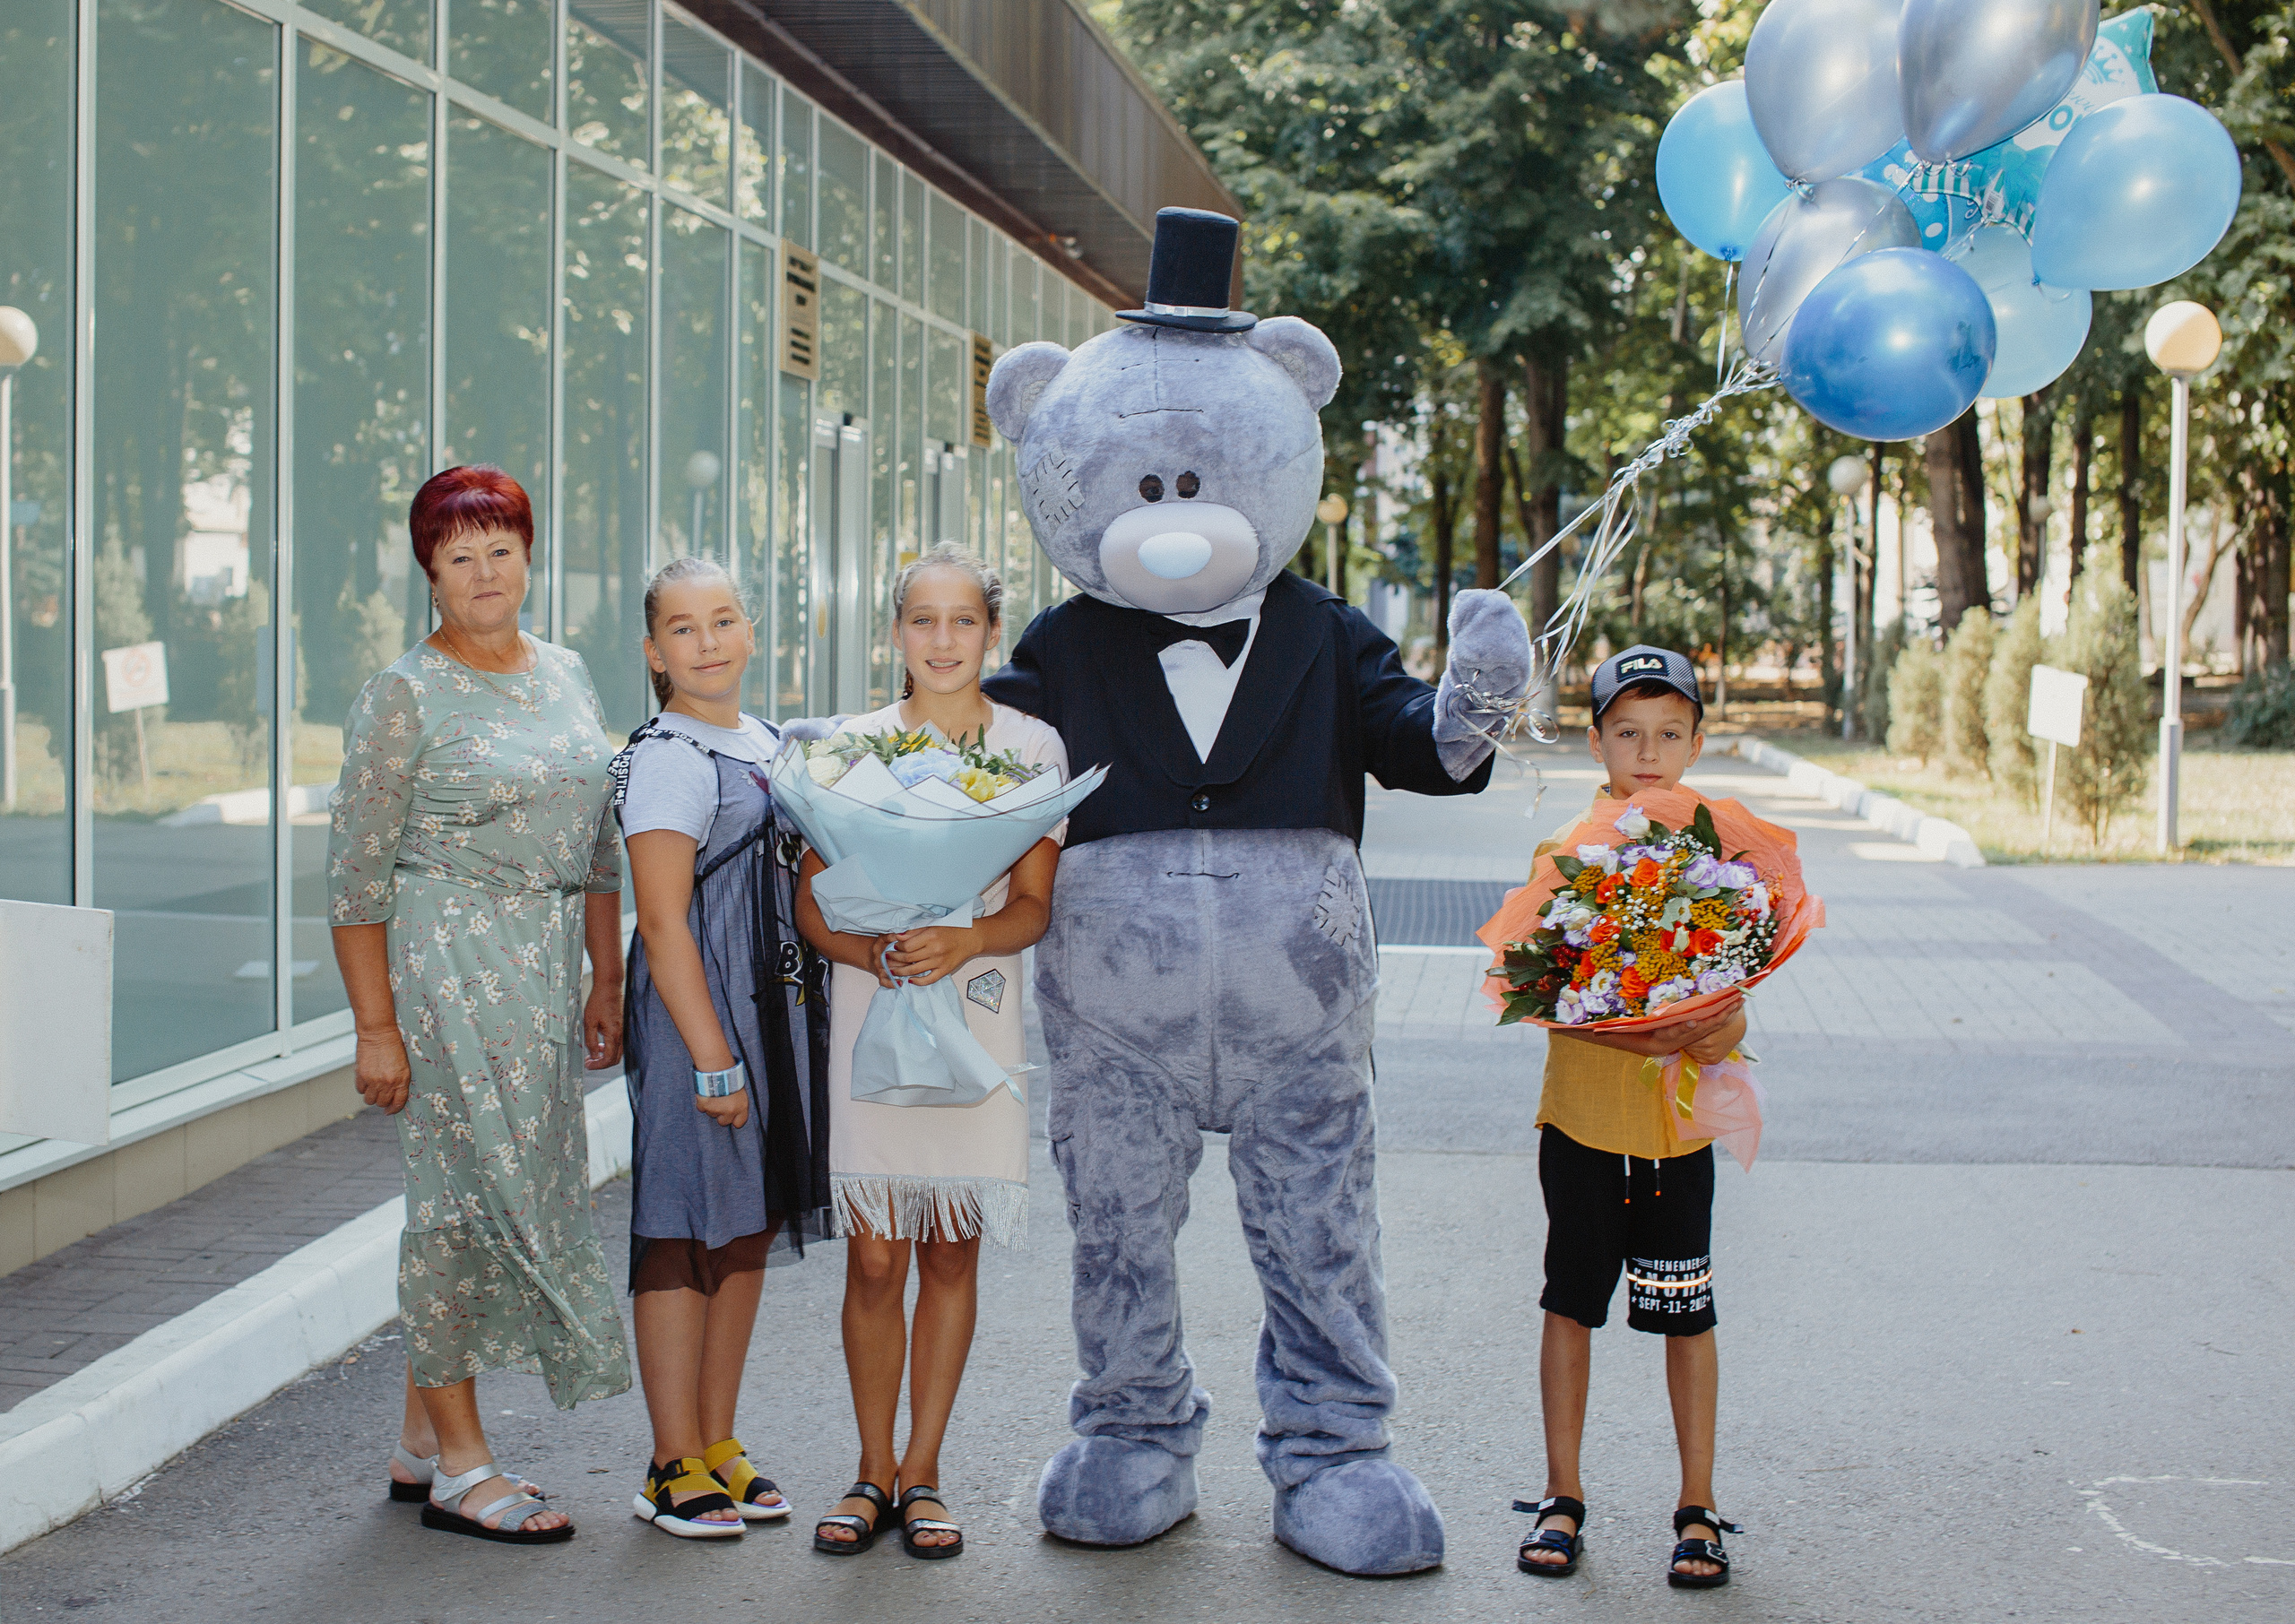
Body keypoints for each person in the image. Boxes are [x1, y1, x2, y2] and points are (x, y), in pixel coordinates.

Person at [331, 465, 629, 1544]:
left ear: (528, 554)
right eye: (459, 556)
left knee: (520, 1183)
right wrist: (375, 1027)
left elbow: (599, 846)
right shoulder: (404, 693)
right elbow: (357, 877)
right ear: (428, 572)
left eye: (500, 548)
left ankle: (418, 1442)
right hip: (445, 961)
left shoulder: (566, 672)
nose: (484, 573)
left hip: (544, 970)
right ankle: (464, 1467)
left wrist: (607, 974)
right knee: (462, 1197)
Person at [793, 542, 1065, 1559]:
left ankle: (925, 1473)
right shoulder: (847, 750)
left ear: (991, 631)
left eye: (962, 621)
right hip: (875, 1005)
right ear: (895, 632)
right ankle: (869, 1470)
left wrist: (965, 938)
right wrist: (875, 948)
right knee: (873, 1257)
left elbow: (1034, 907)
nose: (942, 640)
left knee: (951, 1243)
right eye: (922, 620)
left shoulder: (1034, 748)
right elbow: (811, 904)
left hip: (980, 1007)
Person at [1512, 644, 1748, 1588]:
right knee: (1570, 1304)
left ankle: (1697, 1506)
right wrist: (1635, 1035)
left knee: (1684, 1312)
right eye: (1626, 732)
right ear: (1595, 739)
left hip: (1675, 1134)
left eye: (1667, 733)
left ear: (1695, 740)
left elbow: (1733, 1009)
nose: (1646, 750)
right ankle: (1560, 1496)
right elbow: (1537, 991)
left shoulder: (1723, 858)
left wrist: (1713, 1026)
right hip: (1580, 1126)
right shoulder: (1566, 854)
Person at [612, 556, 835, 1539]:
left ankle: (717, 1442)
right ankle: (668, 1463)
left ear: (749, 633)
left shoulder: (767, 739)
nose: (708, 642)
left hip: (771, 1012)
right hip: (700, 1016)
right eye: (685, 628)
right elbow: (662, 921)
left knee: (742, 1227)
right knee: (680, 1226)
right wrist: (712, 1056)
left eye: (724, 621)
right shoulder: (667, 755)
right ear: (656, 654)